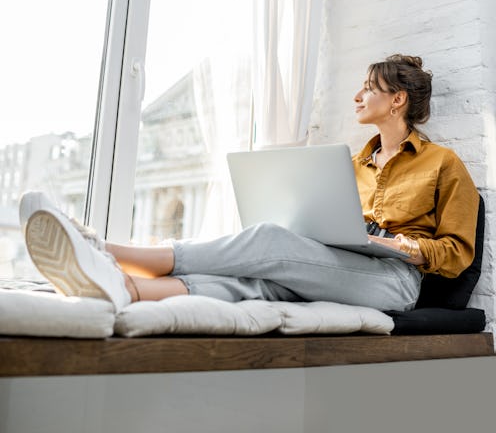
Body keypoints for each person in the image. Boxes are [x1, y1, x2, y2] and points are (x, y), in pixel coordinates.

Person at [19, 54, 480, 314]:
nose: (357, 96)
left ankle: (106, 251)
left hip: (394, 280)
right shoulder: (350, 163)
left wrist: (407, 248)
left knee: (267, 241)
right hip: (342, 261)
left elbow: (458, 254)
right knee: (258, 285)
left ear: (397, 100)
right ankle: (126, 289)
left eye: (369, 88)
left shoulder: (444, 163)